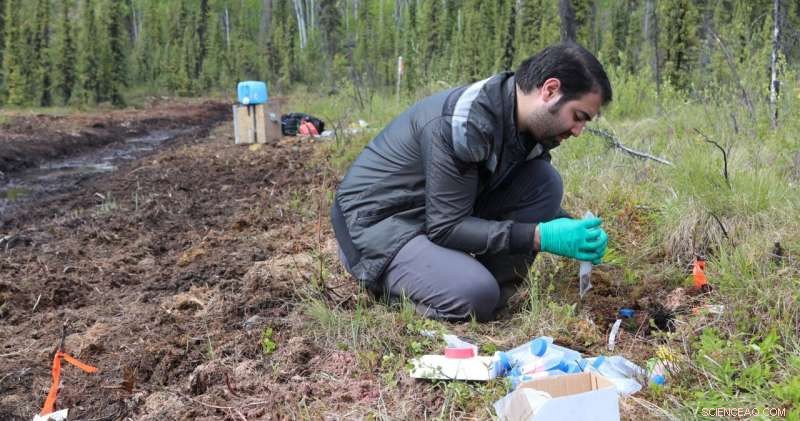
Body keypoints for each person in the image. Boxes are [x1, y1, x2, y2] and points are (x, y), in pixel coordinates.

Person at [331, 42, 612, 322]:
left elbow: (511, 197)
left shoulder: (526, 126)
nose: (578, 131)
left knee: (544, 181)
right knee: (475, 293)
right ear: (550, 90)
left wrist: (570, 229)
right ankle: (403, 288)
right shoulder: (466, 123)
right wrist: (540, 236)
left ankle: (487, 298)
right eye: (578, 117)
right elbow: (446, 227)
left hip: (430, 213)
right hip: (376, 226)